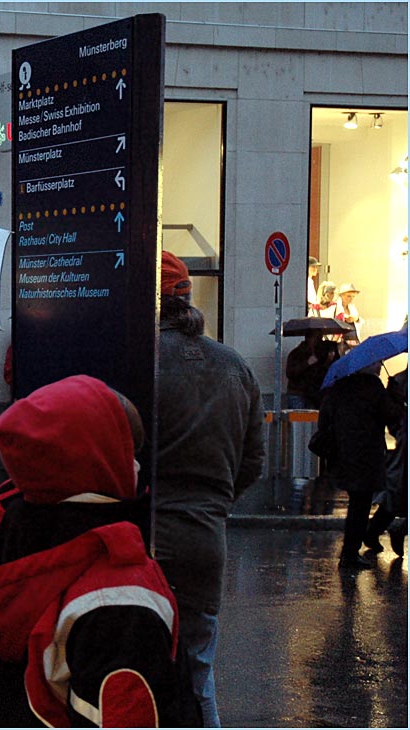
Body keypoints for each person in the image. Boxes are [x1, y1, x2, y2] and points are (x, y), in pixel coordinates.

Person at [0, 375, 201, 728]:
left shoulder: (17, 549)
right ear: (96, 462)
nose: (137, 465)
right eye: (127, 451)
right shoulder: (120, 597)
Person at [152, 251, 265, 728]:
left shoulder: (136, 362)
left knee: (139, 671)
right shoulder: (233, 366)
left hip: (145, 539)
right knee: (199, 673)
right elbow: (252, 462)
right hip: (206, 539)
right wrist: (216, 504)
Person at [318, 365, 404, 569]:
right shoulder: (373, 387)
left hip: (343, 453)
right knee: (360, 504)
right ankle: (349, 553)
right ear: (369, 366)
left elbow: (325, 418)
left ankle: (351, 550)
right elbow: (392, 415)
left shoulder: (339, 387)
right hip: (366, 454)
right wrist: (395, 393)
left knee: (356, 502)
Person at [364, 368, 408, 557]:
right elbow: (392, 415)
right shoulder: (399, 382)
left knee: (398, 493)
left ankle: (376, 530)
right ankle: (377, 530)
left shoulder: (399, 381)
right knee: (398, 491)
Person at [285, 332, 339, 409]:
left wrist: (328, 362)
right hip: (298, 393)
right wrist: (307, 363)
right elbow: (290, 372)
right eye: (316, 338)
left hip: (312, 394)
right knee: (299, 417)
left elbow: (319, 372)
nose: (318, 341)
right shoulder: (297, 353)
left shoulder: (319, 353)